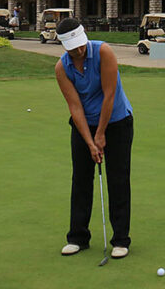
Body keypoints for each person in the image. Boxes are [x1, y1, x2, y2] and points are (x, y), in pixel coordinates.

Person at [54, 18, 135, 259]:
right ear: (64, 47)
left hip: (117, 122)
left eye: (81, 44)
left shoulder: (103, 52)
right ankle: (77, 237)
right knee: (81, 178)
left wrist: (100, 134)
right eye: (73, 48)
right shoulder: (62, 68)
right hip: (84, 126)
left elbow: (109, 95)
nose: (79, 50)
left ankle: (120, 240)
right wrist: (90, 142)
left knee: (118, 179)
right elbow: (75, 107)